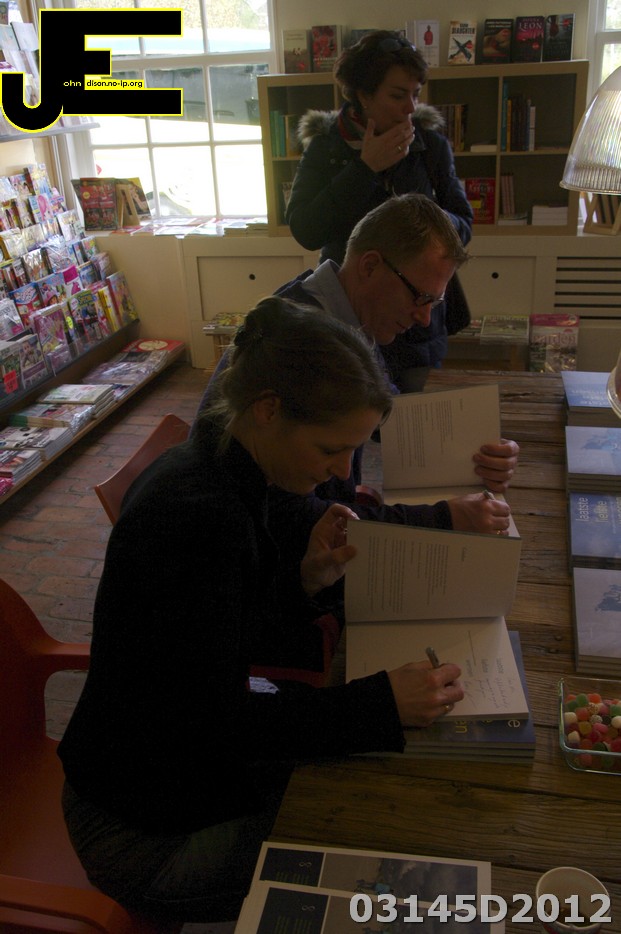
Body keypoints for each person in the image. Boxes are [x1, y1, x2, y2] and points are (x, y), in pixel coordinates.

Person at [58, 297, 464, 925]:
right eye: (331, 448)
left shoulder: (226, 470)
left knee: (380, 792)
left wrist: (301, 583)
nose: (343, 470)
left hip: (161, 772)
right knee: (391, 841)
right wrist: (381, 703)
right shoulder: (200, 516)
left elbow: (216, 645)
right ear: (268, 410)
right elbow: (219, 723)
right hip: (143, 833)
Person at [196, 194, 518, 543]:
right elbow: (295, 519)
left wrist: (478, 452)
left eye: (435, 303)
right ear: (370, 266)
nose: (425, 318)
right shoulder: (309, 347)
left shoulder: (340, 316)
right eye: (420, 297)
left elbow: (388, 414)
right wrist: (443, 518)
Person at [284, 29, 474, 391]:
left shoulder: (431, 145)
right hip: (349, 313)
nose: (410, 108)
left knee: (415, 416)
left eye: (416, 94)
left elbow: (463, 224)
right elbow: (305, 229)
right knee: (348, 406)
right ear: (363, 95)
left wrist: (422, 220)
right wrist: (364, 169)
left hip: (417, 321)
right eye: (398, 95)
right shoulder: (326, 148)